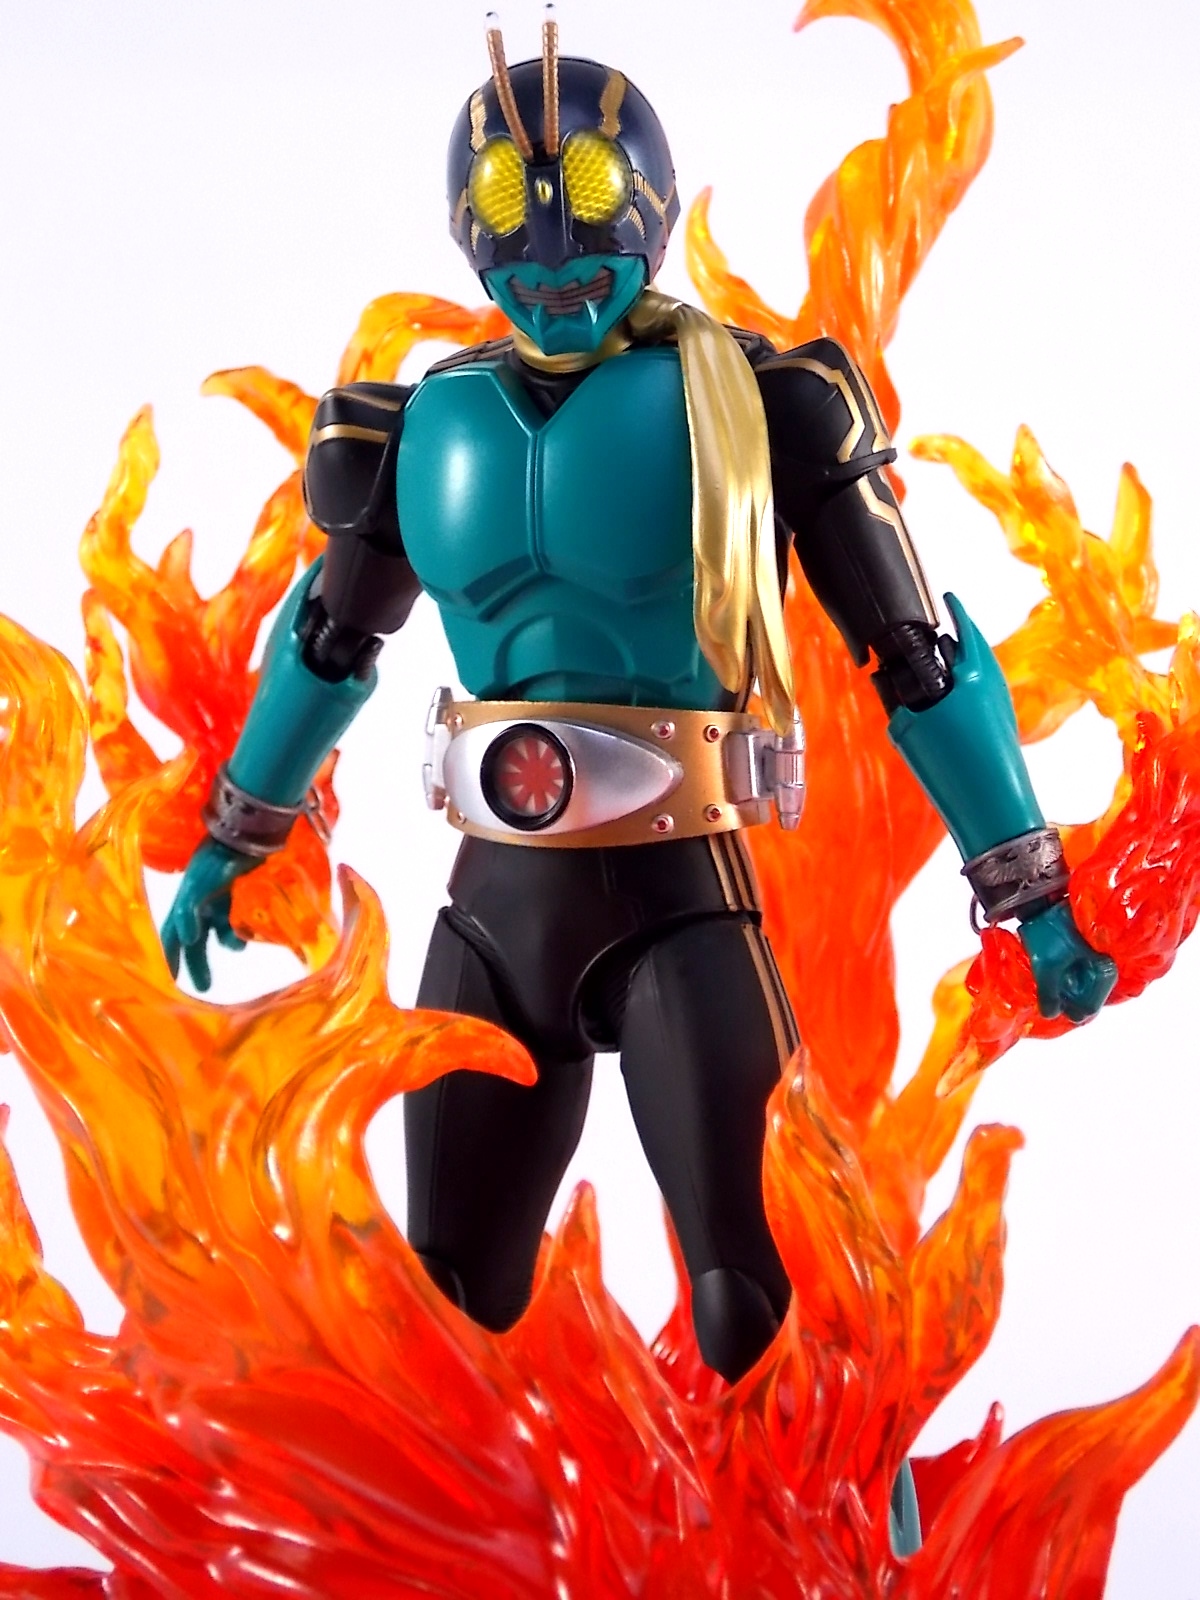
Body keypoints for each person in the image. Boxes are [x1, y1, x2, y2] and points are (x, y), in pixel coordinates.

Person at [161, 20, 1115, 1406]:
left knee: (757, 1301)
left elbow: (916, 654)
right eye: (512, 215)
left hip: (684, 901)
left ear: (653, 209)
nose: (553, 260)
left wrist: (1030, 891)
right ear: (468, 233)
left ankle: (859, 1504)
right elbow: (327, 643)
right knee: (451, 1300)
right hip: (493, 917)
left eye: (590, 209)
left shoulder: (762, 406)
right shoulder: (413, 431)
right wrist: (234, 839)